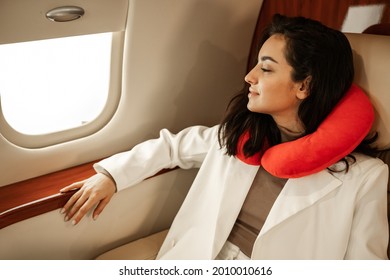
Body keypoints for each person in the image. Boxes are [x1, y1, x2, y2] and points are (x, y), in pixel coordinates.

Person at [60, 14, 389, 259]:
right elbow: (173, 146)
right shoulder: (242, 138)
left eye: (267, 68)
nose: (250, 76)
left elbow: (364, 265)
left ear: (305, 85)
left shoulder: (365, 177)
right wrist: (111, 176)